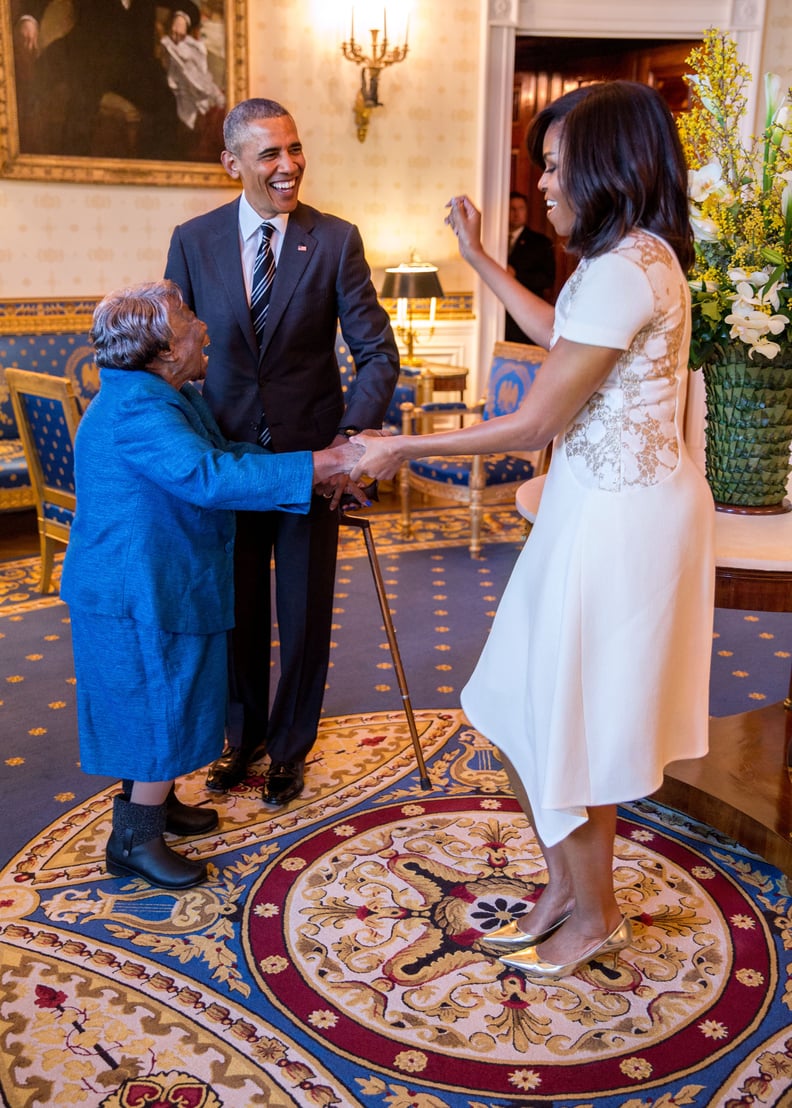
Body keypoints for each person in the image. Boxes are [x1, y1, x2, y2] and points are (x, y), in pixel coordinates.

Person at [351, 81, 715, 979]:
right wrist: (476, 256)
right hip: (591, 511)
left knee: (571, 720)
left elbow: (534, 422)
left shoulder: (634, 265)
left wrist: (399, 444)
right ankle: (566, 886)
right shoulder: (619, 259)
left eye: (554, 164)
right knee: (516, 703)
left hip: (621, 525)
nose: (544, 183)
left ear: (605, 163)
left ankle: (594, 917)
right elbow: (559, 334)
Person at [60, 280, 365, 890]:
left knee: (166, 696)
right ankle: (134, 840)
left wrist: (314, 470)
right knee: (156, 701)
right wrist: (331, 462)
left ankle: (156, 802)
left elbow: (227, 451)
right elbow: (210, 474)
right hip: (134, 589)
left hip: (161, 576)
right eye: (190, 321)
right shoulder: (139, 409)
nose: (204, 328)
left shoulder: (164, 393)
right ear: (165, 350)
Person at [164, 98, 400, 806]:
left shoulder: (335, 240)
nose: (288, 165)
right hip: (228, 466)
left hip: (310, 467)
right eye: (269, 154)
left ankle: (292, 747)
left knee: (302, 616)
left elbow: (377, 353)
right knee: (234, 611)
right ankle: (244, 741)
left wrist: (347, 440)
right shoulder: (193, 240)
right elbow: (175, 353)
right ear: (232, 163)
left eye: (294, 149)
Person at [504, 191, 556, 343]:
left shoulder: (540, 242)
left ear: (526, 211)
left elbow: (547, 280)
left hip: (528, 313)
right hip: (501, 315)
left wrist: (517, 275)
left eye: (520, 209)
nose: (516, 213)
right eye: (512, 209)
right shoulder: (495, 238)